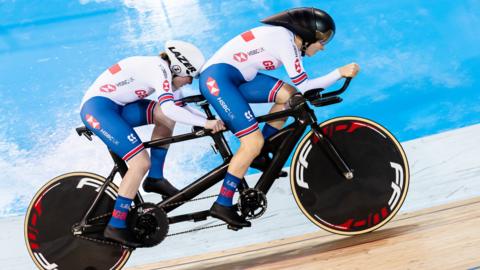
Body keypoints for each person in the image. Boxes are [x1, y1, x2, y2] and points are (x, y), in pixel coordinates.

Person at [199, 7, 360, 228]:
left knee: (289, 96)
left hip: (240, 77)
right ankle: (223, 202)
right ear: (307, 35)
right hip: (219, 79)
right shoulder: (285, 41)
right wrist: (338, 73)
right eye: (321, 40)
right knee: (251, 142)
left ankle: (262, 152)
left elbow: (298, 91)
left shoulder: (286, 39)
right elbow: (306, 86)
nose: (322, 47)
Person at [80, 40, 225, 247]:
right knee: (140, 163)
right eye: (189, 77)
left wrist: (210, 122)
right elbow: (172, 108)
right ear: (177, 68)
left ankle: (155, 178)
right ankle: (116, 224)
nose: (189, 82)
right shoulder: (158, 70)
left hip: (117, 106)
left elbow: (178, 107)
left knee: (164, 116)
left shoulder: (164, 71)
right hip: (98, 110)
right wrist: (205, 123)